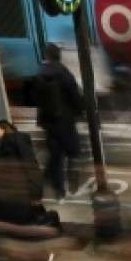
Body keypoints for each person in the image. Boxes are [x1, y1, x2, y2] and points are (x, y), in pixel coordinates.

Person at [0, 115, 46, 228]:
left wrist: (36, 195)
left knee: (25, 224)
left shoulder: (17, 140)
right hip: (2, 194)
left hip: (21, 194)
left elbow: (31, 168)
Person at [31, 43, 85, 202]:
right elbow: (75, 96)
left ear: (47, 56)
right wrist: (80, 112)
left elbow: (35, 98)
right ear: (58, 56)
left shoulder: (40, 74)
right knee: (74, 153)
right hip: (66, 121)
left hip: (49, 122)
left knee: (56, 157)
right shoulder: (64, 74)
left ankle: (59, 191)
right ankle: (73, 184)